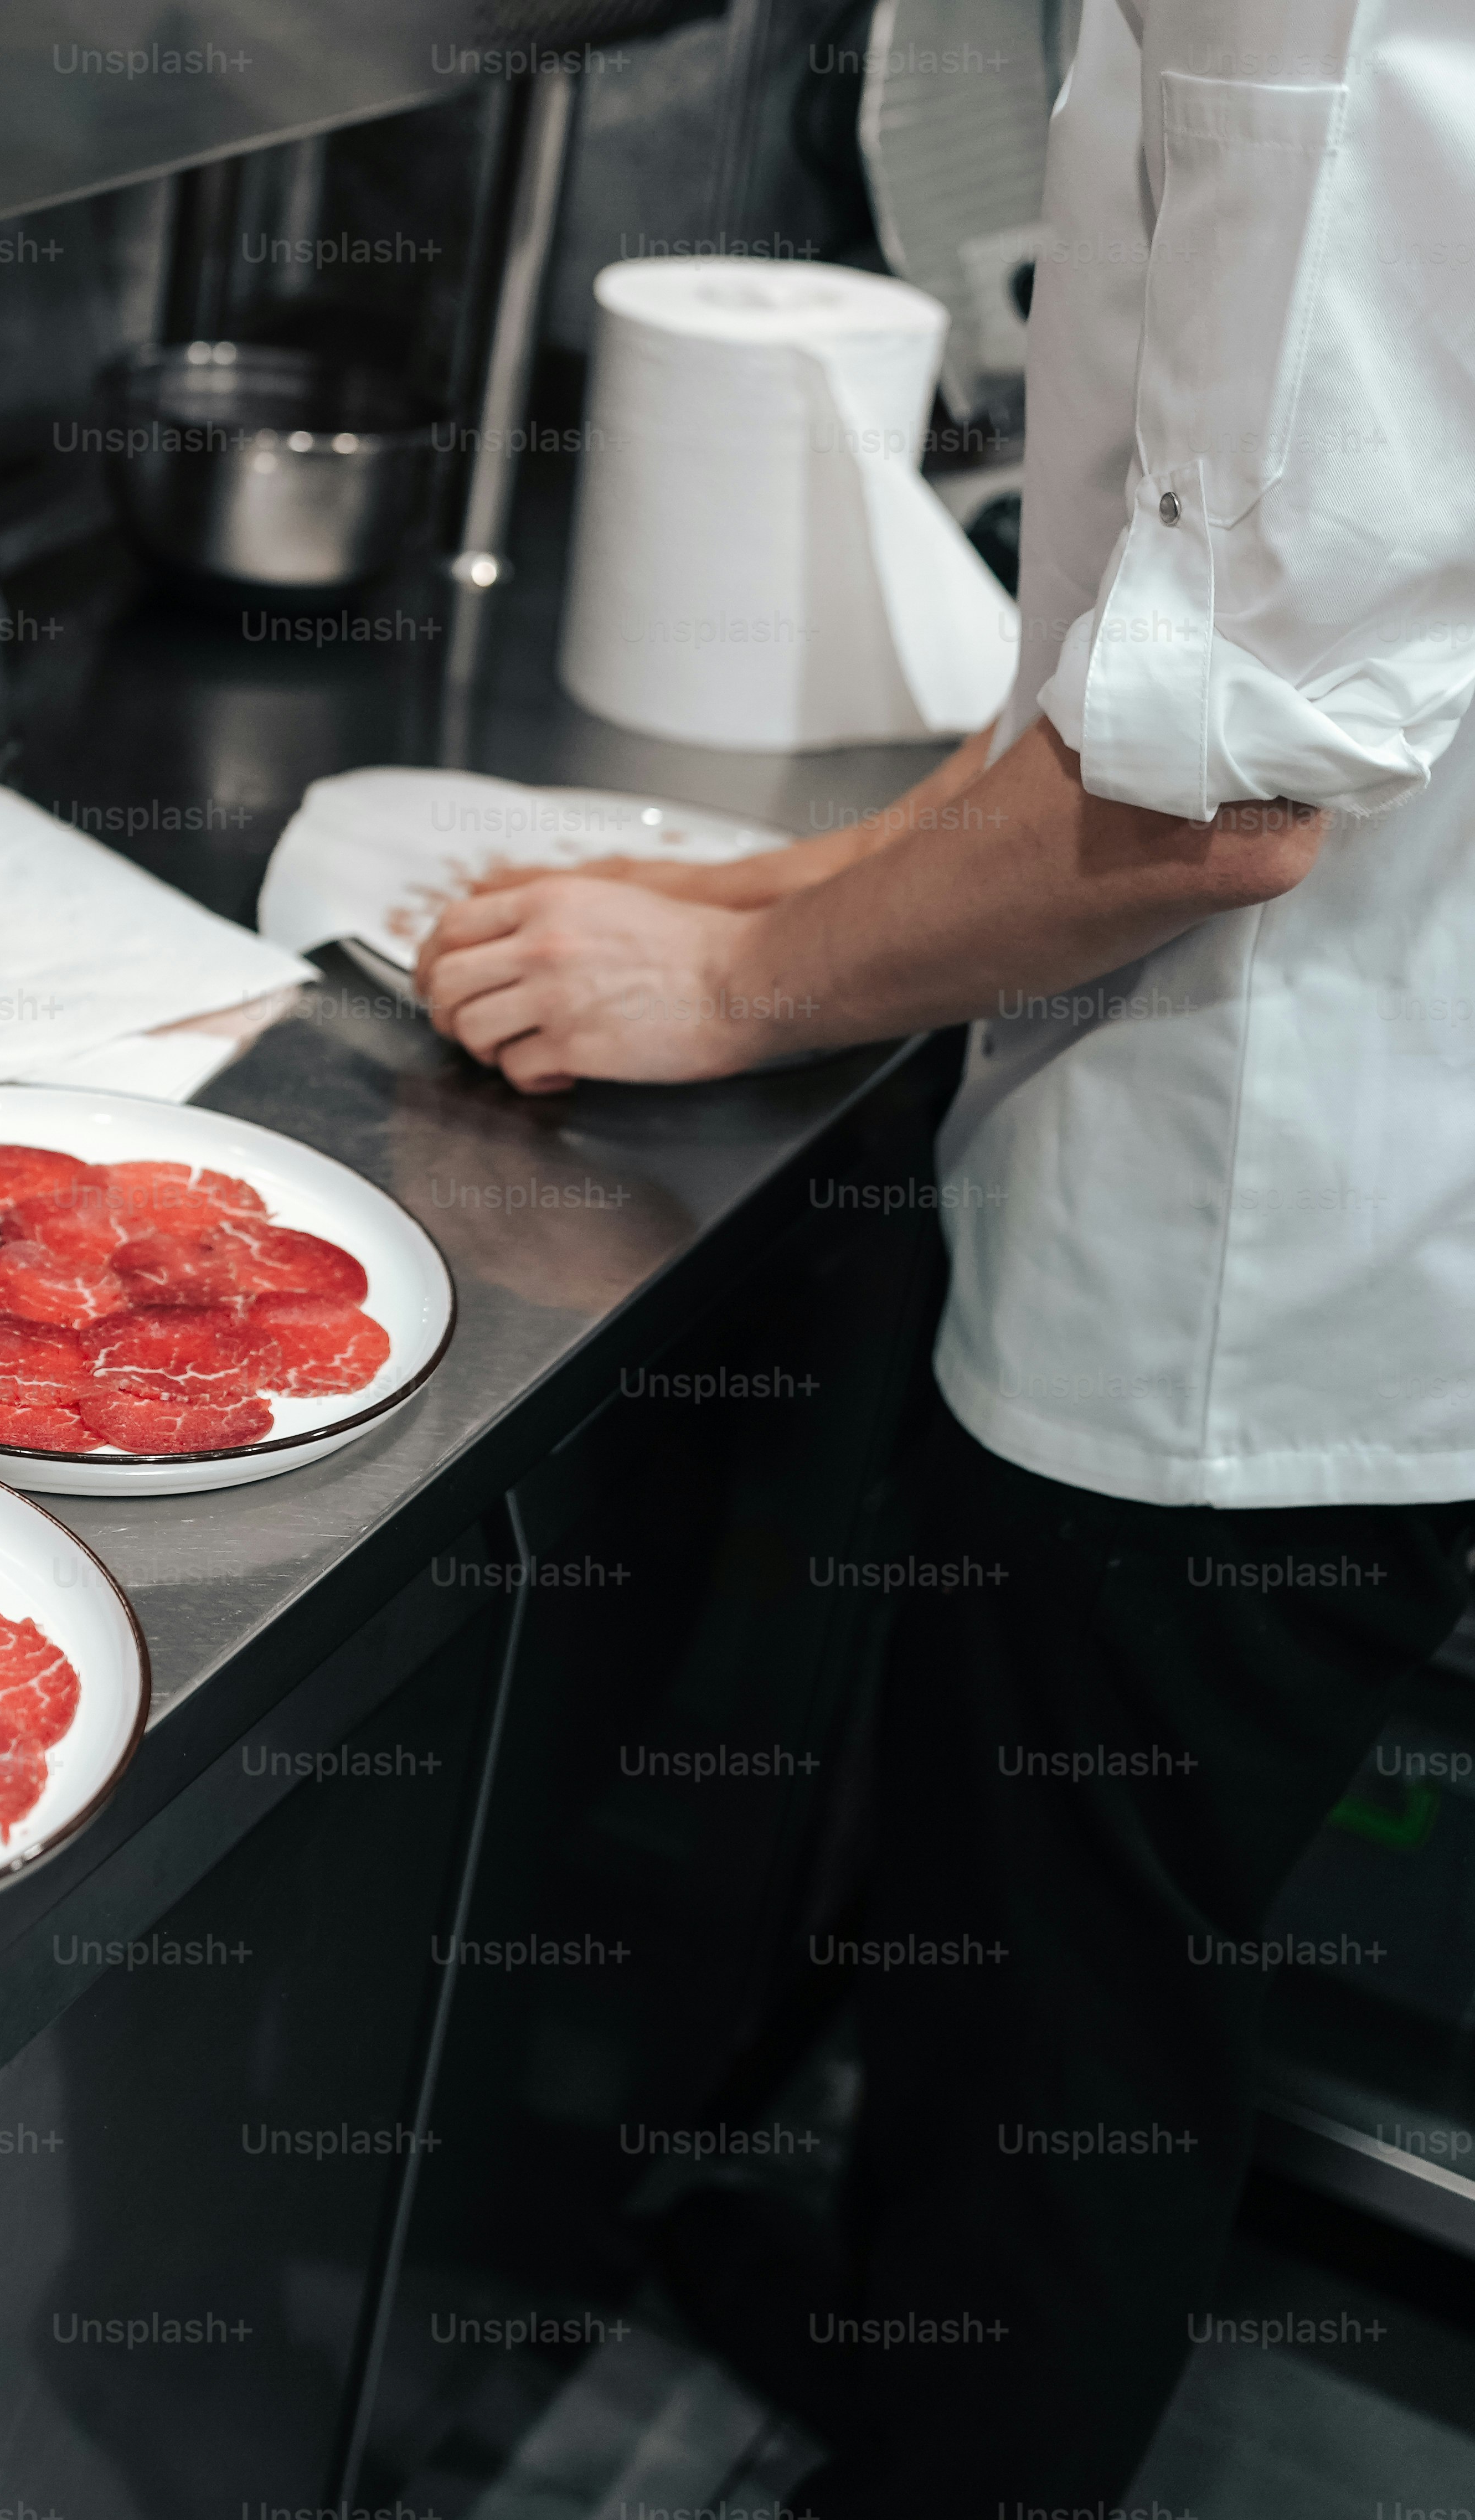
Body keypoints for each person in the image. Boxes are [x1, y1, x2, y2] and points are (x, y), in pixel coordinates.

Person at [410, 0, 1475, 2505]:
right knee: (1023, 1943)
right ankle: (923, 2336)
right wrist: (771, 881)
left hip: (1273, 1258)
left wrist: (743, 978)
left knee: (1074, 2020)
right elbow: (1192, 605)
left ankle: (965, 2436)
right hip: (1319, 1158)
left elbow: (1223, 786)